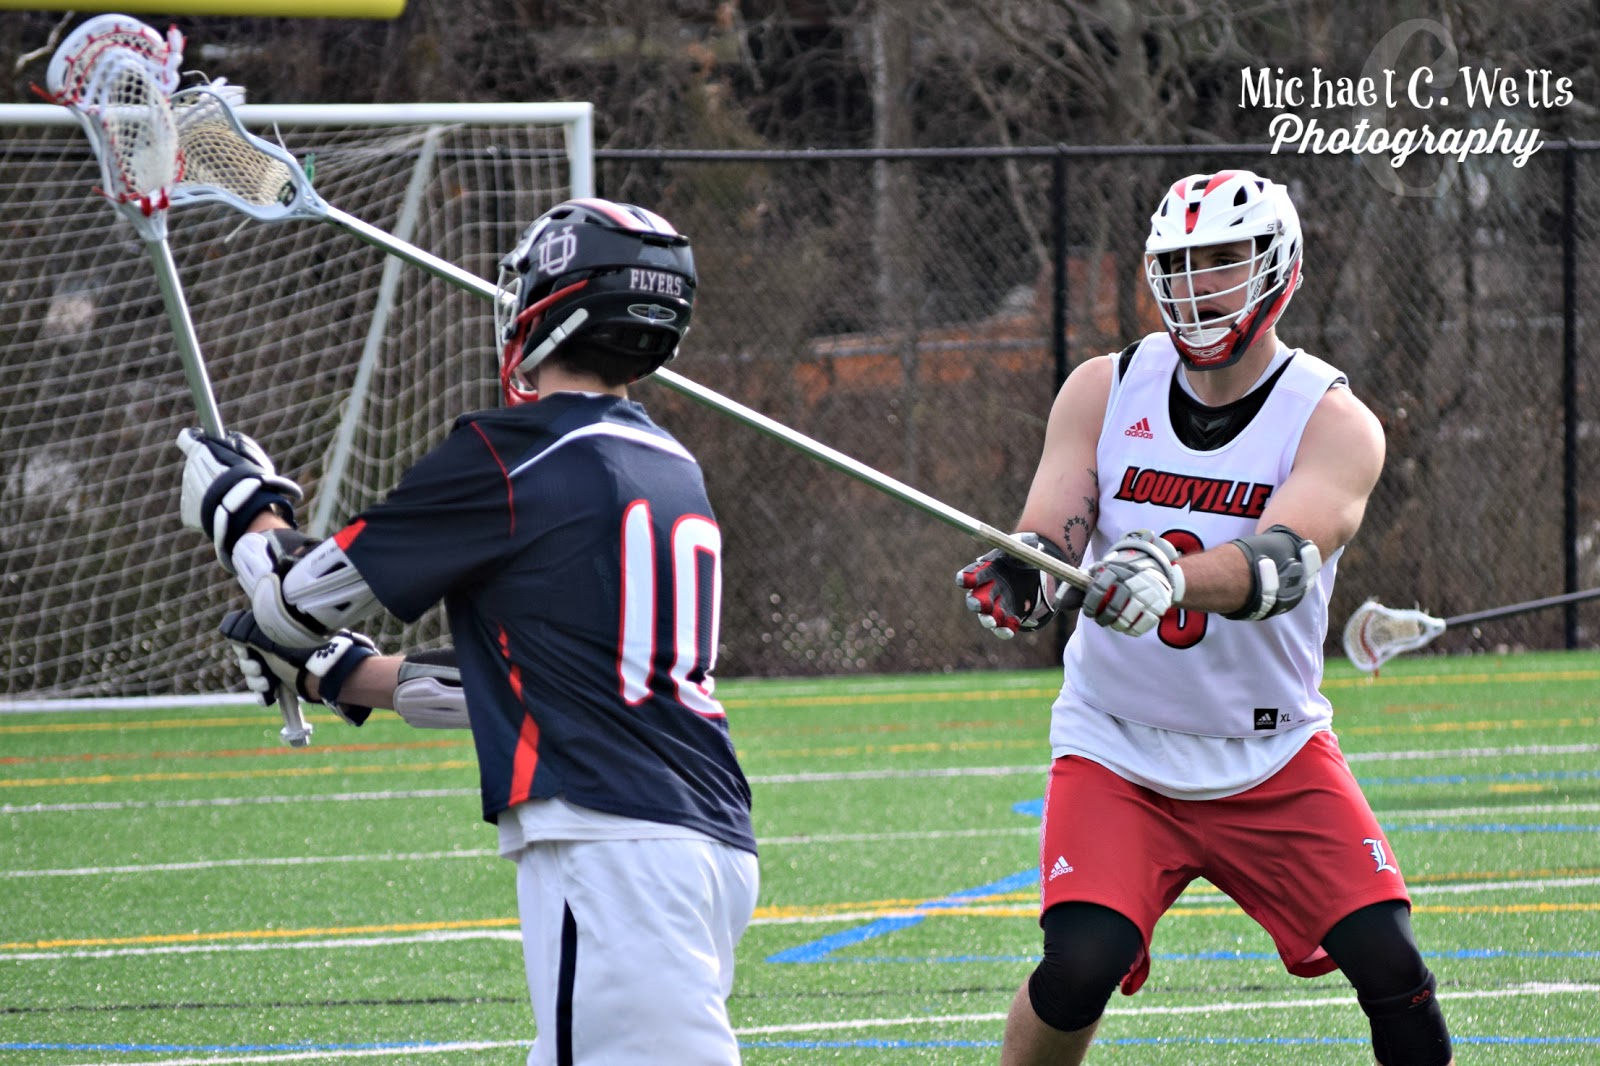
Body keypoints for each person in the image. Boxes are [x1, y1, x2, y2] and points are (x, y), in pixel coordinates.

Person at [175, 198, 759, 1065]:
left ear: (549, 302)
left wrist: (247, 515)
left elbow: (295, 602)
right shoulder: (669, 464)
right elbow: (514, 685)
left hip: (609, 845)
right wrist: (337, 675)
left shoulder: (515, 454)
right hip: (704, 842)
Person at [956, 170, 1454, 1066]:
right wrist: (1023, 573)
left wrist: (1169, 578)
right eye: (1181, 264)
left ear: (1281, 270)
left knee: (1393, 966)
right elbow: (1054, 522)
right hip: (1119, 746)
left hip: (1269, 752)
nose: (1198, 285)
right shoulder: (1104, 389)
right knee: (1079, 967)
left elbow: (1286, 560)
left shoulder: (1335, 422)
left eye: (1224, 261)